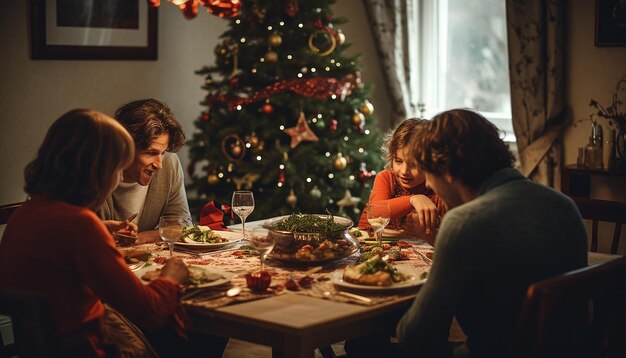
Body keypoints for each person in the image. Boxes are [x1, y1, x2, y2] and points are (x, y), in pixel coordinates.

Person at [396, 109, 588, 357]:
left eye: (429, 173)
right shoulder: (565, 205)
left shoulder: (463, 222)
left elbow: (414, 335)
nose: (430, 184)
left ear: (449, 171)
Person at [0, 109, 189, 356]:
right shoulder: (80, 226)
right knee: (186, 338)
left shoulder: (26, 214)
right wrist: (171, 275)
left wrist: (100, 232)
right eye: (116, 169)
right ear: (96, 169)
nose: (118, 179)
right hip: (86, 350)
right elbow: (150, 312)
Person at [98, 99, 191, 243]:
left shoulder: (169, 164)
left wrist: (137, 239)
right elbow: (83, 235)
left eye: (163, 152)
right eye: (151, 153)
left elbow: (182, 226)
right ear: (125, 146)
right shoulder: (95, 172)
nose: (159, 165)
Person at [358, 118, 446, 239]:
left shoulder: (437, 189)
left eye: (414, 164)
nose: (404, 171)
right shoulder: (386, 178)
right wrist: (413, 200)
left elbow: (448, 240)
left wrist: (427, 235)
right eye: (398, 161)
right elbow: (375, 214)